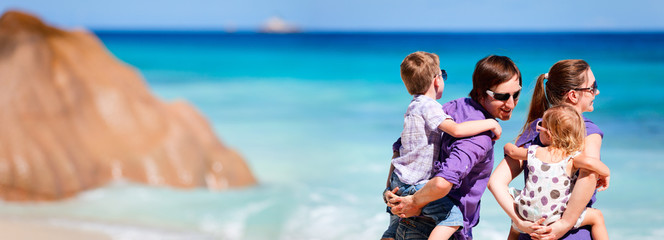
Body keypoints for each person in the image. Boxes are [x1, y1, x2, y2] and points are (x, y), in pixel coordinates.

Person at [385, 55, 522, 240]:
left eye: (516, 94)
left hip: (408, 217)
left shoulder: (453, 106)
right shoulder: (479, 137)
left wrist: (390, 187)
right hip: (433, 226)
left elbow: (401, 146)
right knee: (453, 218)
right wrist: (413, 202)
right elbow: (443, 182)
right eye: (502, 96)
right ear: (481, 92)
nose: (512, 103)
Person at [487, 59, 607, 240]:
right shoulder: (588, 131)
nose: (596, 91)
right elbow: (589, 175)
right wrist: (564, 224)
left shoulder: (536, 128)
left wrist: (519, 222)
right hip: (570, 235)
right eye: (592, 87)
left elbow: (495, 182)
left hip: (532, 232)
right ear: (573, 95)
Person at [499, 105, 609, 240]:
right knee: (597, 217)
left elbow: (512, 151)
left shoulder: (534, 151)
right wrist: (605, 173)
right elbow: (592, 164)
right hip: (554, 218)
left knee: (516, 215)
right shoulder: (572, 159)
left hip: (527, 215)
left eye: (540, 129)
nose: (538, 132)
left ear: (549, 135)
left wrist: (508, 145)